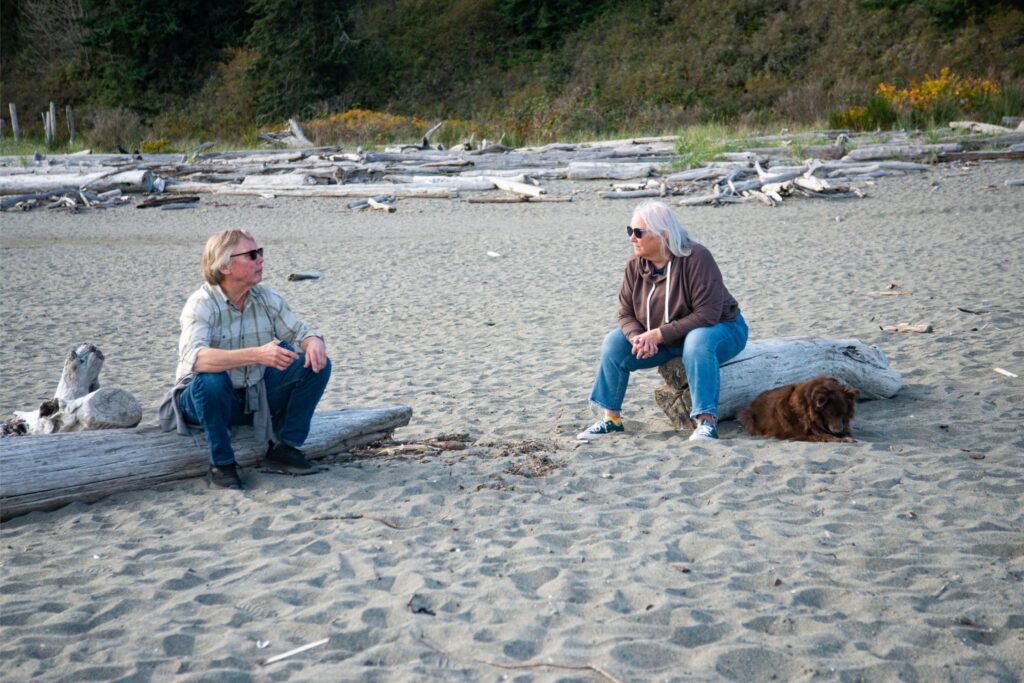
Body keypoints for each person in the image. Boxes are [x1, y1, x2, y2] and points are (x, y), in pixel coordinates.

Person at [159, 229, 331, 489]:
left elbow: (300, 332)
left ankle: (285, 448)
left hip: (252, 396)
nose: (260, 259)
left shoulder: (265, 297)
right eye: (251, 255)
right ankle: (222, 464)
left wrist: (314, 343)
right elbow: (196, 359)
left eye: (259, 252)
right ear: (225, 266)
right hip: (199, 400)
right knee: (212, 379)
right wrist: (259, 354)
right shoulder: (201, 303)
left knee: (316, 364)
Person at [577, 200, 747, 442]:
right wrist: (639, 338)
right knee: (614, 342)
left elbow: (707, 314)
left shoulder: (697, 257)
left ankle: (706, 422)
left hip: (722, 329)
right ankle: (611, 420)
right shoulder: (634, 266)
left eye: (638, 232)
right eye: (629, 231)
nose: (631, 238)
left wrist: (657, 335)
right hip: (668, 336)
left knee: (697, 340)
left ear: (663, 235)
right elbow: (625, 313)